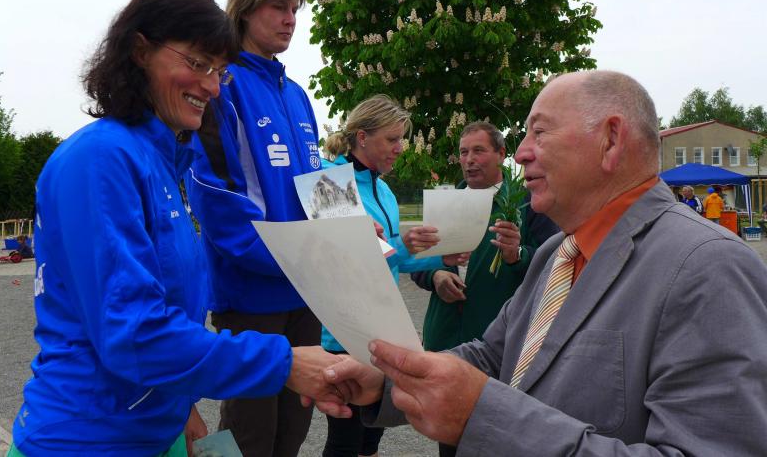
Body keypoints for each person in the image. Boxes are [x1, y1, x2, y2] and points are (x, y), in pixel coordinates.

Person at [321, 70, 767, 455]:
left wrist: (482, 414)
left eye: (540, 132)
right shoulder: (558, 252)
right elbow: (492, 357)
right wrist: (387, 382)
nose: (519, 153)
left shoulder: (709, 267)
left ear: (611, 140)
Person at [10, 0, 345, 457]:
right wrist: (283, 362)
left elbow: (166, 302)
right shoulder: (101, 158)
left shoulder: (164, 160)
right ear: (140, 52)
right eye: (196, 63)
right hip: (88, 438)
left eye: (219, 71)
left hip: (153, 427)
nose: (212, 86)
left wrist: (182, 403)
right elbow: (134, 334)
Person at [185, 0, 324, 457]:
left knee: (294, 431)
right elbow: (216, 199)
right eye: (278, 7)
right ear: (245, 9)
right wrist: (298, 258)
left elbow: (319, 187)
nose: (290, 19)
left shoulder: (298, 95)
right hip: (251, 294)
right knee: (250, 436)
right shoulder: (221, 87)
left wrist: (351, 230)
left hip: (306, 291)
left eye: (295, 9)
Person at [320, 94, 467, 457]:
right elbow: (346, 260)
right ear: (362, 137)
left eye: (401, 139)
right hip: (345, 330)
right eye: (392, 139)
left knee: (373, 434)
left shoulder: (383, 189)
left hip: (384, 328)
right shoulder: (328, 182)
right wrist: (405, 245)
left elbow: (392, 260)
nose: (400, 148)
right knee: (345, 440)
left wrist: (438, 258)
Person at [409, 121, 558, 456]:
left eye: (479, 151)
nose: (469, 160)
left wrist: (517, 255)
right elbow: (417, 262)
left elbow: (555, 264)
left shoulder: (530, 203)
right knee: (449, 440)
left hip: (498, 347)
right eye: (464, 152)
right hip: (446, 340)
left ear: (502, 154)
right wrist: (436, 276)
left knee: (495, 440)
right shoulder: (445, 202)